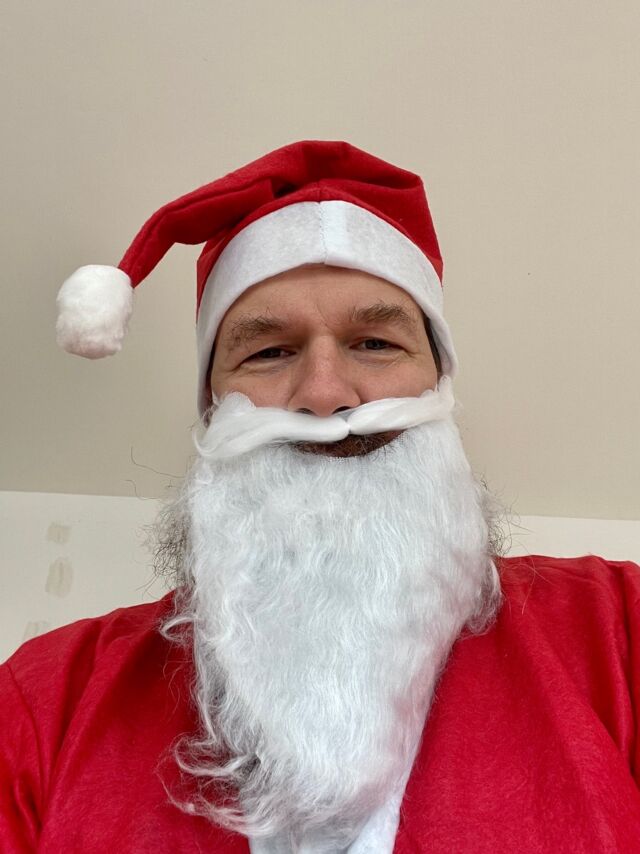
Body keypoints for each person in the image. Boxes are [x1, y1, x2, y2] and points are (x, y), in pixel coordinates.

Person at [1, 140, 639, 853]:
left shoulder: (622, 631)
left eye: (376, 343)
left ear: (439, 386)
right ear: (212, 412)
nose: (326, 395)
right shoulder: (41, 703)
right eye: (269, 352)